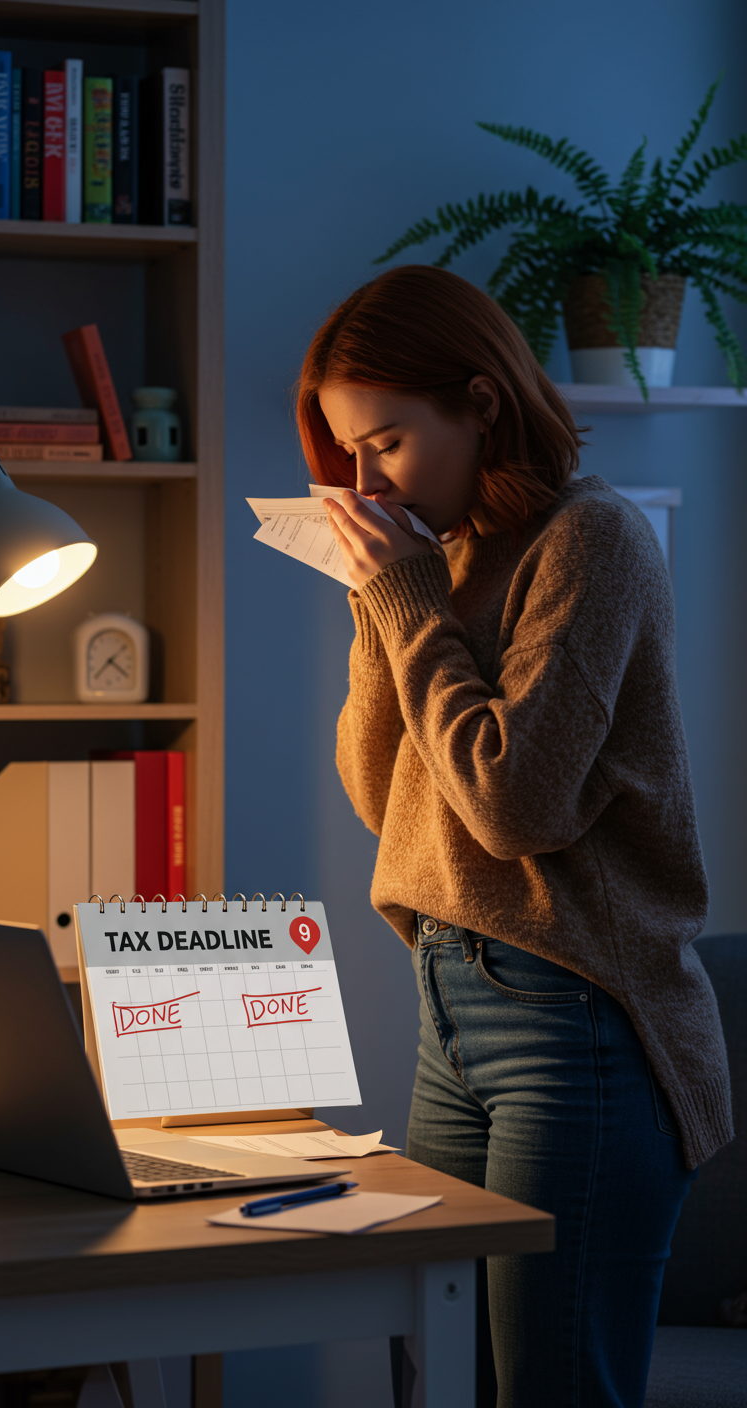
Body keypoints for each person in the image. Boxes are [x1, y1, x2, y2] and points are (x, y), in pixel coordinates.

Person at [295, 264, 733, 1408]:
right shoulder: (441, 560)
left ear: (481, 402)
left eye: (384, 443)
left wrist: (408, 606)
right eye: (346, 454)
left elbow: (513, 807)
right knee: (437, 1374)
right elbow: (379, 787)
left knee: (545, 1386)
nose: (361, 479)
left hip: (579, 1018)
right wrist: (380, 606)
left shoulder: (592, 543)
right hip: (454, 1008)